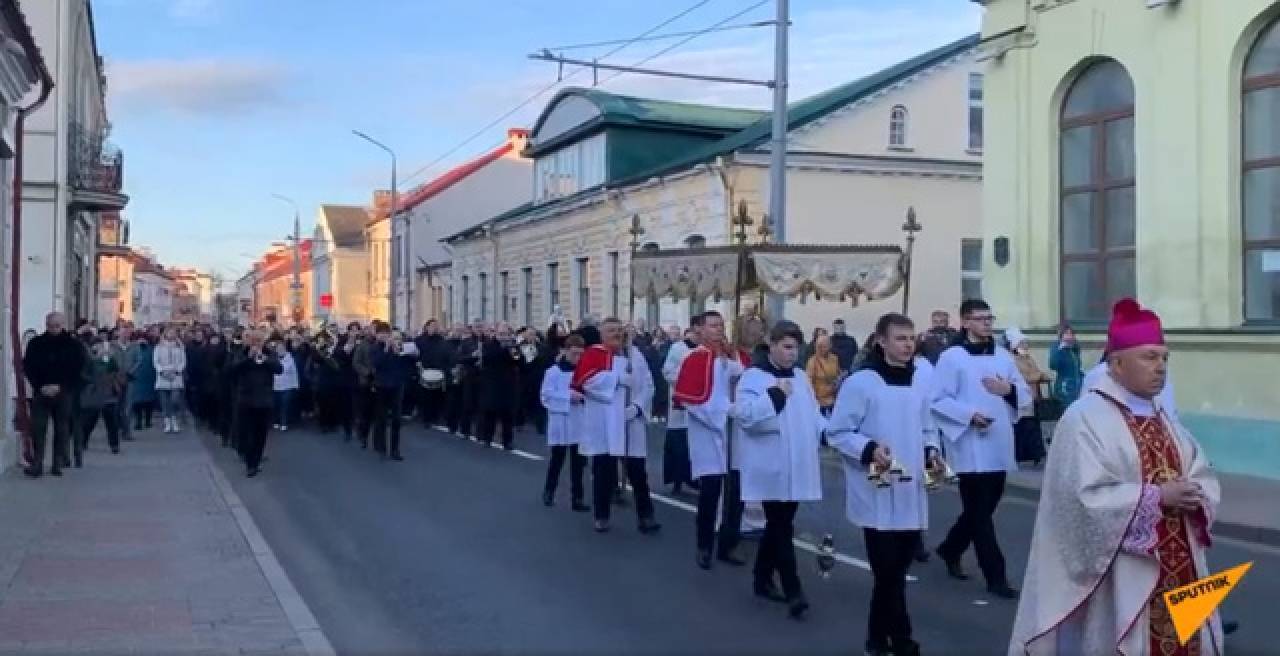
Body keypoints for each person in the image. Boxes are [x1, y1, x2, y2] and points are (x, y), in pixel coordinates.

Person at [1010, 298, 1223, 656]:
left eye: (1164, 358)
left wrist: (1196, 491)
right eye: (1149, 357)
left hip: (1181, 565)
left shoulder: (1163, 418)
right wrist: (1157, 498)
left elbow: (1200, 469)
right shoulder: (1084, 419)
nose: (1161, 368)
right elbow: (1079, 502)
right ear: (1117, 364)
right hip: (1122, 576)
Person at [828, 313, 939, 656]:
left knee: (895, 570)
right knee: (887, 569)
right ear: (881, 342)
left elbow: (927, 424)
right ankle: (903, 640)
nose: (907, 345)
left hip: (910, 487)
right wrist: (869, 449)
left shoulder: (920, 380)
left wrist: (932, 451)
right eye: (900, 338)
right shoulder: (862, 383)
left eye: (911, 338)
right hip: (876, 484)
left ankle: (876, 639)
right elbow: (838, 432)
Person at [930, 299, 1030, 599]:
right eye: (981, 318)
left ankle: (950, 547)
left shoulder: (1002, 356)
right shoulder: (952, 358)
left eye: (990, 318)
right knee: (980, 515)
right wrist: (968, 415)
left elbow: (1023, 393)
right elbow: (937, 399)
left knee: (984, 508)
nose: (987, 323)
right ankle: (995, 576)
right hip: (969, 444)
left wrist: (1008, 391)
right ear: (965, 322)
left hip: (998, 441)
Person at [734, 319, 823, 620]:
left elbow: (811, 416)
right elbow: (744, 415)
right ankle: (793, 590)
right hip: (770, 464)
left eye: (795, 348)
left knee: (778, 525)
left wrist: (831, 432)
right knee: (781, 527)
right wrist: (775, 396)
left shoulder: (800, 376)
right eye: (786, 347)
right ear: (771, 345)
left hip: (797, 464)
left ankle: (761, 577)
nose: (791, 354)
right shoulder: (753, 377)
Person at [674, 310, 749, 570]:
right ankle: (704, 545)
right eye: (713, 326)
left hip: (733, 432)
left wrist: (735, 363)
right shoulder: (694, 359)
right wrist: (719, 415)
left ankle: (728, 544)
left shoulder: (730, 356)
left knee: (735, 493)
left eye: (720, 325)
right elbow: (689, 399)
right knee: (711, 491)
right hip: (708, 432)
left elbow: (745, 381)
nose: (718, 330)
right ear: (701, 330)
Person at [572, 317, 660, 535]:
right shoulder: (594, 354)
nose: (617, 334)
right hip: (606, 421)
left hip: (631, 422)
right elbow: (586, 382)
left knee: (638, 472)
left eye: (619, 330)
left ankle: (645, 516)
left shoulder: (634, 355)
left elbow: (648, 384)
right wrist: (616, 379)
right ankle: (601, 515)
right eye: (611, 330)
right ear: (602, 333)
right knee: (604, 471)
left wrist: (637, 407)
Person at [22, 312, 87, 477]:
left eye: (57, 326)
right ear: (46, 325)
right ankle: (37, 462)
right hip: (41, 391)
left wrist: (61, 386)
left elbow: (78, 369)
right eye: (51, 326)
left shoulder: (73, 345)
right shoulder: (36, 344)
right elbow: (28, 366)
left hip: (63, 392)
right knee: (38, 428)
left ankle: (57, 463)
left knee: (62, 428)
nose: (54, 329)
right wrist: (40, 386)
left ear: (63, 325)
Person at [541, 334, 590, 511]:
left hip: (579, 421)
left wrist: (584, 397)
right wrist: (568, 397)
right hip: (561, 421)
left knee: (578, 463)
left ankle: (577, 498)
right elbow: (545, 396)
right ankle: (549, 491)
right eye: (574, 354)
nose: (577, 358)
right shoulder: (553, 372)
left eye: (580, 354)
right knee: (557, 460)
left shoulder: (585, 372)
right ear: (565, 351)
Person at [230, 330, 282, 477]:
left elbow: (279, 369)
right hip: (246, 400)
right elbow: (233, 370)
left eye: (259, 341)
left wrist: (265, 359)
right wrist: (248, 358)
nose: (256, 344)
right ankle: (249, 462)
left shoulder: (269, 353)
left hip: (264, 401)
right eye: (254, 341)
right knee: (247, 434)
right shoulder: (242, 352)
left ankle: (255, 462)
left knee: (261, 435)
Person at [662, 319, 703, 495]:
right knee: (679, 444)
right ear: (694, 329)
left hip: (700, 403)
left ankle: (695, 477)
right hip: (681, 403)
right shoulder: (678, 348)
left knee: (696, 444)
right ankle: (678, 479)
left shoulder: (705, 350)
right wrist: (687, 374)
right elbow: (667, 371)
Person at [370, 328, 417, 460]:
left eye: (397, 338)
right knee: (382, 418)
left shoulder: (399, 349)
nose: (394, 340)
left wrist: (402, 352)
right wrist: (386, 349)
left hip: (397, 386)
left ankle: (395, 450)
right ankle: (381, 446)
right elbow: (376, 364)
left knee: (396, 419)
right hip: (381, 386)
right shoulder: (376, 348)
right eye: (393, 338)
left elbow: (410, 362)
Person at [1005, 327, 1049, 466]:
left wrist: (1040, 375)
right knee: (1023, 427)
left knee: (1033, 426)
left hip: (1033, 395)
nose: (1025, 345)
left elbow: (1037, 371)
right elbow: (1021, 377)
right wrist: (1037, 376)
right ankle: (1021, 456)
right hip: (1021, 397)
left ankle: (1036, 454)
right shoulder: (1011, 359)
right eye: (1022, 343)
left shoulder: (1028, 358)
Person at [478, 324, 522, 450]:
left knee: (507, 414)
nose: (504, 336)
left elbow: (518, 360)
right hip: (492, 383)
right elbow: (489, 358)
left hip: (508, 384)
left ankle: (507, 441)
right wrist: (503, 350)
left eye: (506, 334)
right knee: (490, 413)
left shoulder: (513, 346)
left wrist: (512, 350)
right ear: (496, 334)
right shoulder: (489, 345)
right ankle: (488, 438)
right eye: (501, 334)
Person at [154, 327, 187, 433]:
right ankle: (167, 422)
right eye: (169, 332)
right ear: (165, 334)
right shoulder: (159, 347)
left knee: (174, 400)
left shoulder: (180, 346)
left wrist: (178, 371)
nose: (171, 334)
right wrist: (162, 371)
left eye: (173, 332)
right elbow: (156, 361)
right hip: (163, 376)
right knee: (165, 402)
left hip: (175, 376)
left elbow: (183, 361)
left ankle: (174, 420)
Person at [1048, 323, 1083, 406]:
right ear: (1061, 336)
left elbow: (1077, 367)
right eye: (1066, 333)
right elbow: (1053, 365)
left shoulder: (1074, 349)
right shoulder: (1057, 347)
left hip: (1077, 386)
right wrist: (1060, 350)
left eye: (1071, 334)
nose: (1069, 336)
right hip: (1064, 387)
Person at [805, 334, 841, 417]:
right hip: (819, 402)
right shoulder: (812, 362)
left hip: (834, 400)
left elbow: (838, 373)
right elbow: (808, 383)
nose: (820, 349)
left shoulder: (834, 359)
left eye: (823, 346)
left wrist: (839, 379)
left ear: (830, 346)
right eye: (818, 346)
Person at [270, 338, 299, 431]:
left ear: (285, 348)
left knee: (284, 405)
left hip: (287, 386)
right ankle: (276, 421)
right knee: (276, 405)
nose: (279, 349)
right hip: (276, 386)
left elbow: (294, 372)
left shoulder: (290, 358)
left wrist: (296, 385)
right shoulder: (273, 358)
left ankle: (284, 422)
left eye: (281, 348)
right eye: (278, 348)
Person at [129, 335, 157, 431]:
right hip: (137, 378)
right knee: (137, 402)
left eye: (143, 339)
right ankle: (139, 421)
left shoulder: (152, 350)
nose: (141, 341)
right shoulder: (134, 350)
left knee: (148, 402)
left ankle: (147, 421)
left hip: (148, 379)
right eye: (140, 339)